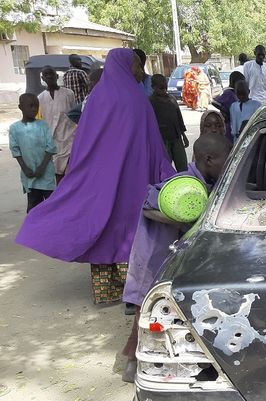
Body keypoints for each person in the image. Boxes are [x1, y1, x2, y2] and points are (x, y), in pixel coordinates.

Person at [16, 48, 176, 307]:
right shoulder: (137, 99)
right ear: (124, 66)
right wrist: (164, 173)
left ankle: (108, 291)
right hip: (133, 181)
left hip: (102, 180)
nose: (140, 71)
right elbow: (153, 144)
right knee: (130, 229)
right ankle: (133, 291)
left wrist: (80, 171)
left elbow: (84, 142)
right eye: (136, 66)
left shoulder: (98, 97)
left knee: (102, 224)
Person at [121, 133, 231, 382]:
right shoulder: (182, 184)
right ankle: (133, 365)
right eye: (226, 160)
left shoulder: (205, 186)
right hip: (154, 260)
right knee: (146, 313)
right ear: (209, 159)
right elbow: (149, 206)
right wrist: (181, 220)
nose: (228, 165)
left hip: (171, 260)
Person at [10, 93, 56, 212]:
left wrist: (42, 167)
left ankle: (52, 228)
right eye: (30, 106)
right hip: (29, 175)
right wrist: (25, 168)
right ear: (20, 107)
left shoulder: (43, 125)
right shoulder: (15, 128)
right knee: (33, 206)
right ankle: (35, 229)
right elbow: (15, 150)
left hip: (46, 173)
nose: (34, 109)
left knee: (52, 205)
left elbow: (50, 147)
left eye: (36, 106)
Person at [36, 66, 76, 182]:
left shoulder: (68, 93)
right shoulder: (40, 98)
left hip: (69, 136)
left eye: (51, 74)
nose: (49, 76)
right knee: (56, 171)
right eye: (46, 74)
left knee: (70, 168)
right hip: (51, 139)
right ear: (42, 78)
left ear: (57, 76)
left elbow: (73, 113)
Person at [149, 74, 189, 171]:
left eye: (165, 87)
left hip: (176, 137)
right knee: (166, 167)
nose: (164, 90)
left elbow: (179, 117)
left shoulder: (172, 99)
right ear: (153, 87)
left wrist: (183, 135)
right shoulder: (150, 102)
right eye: (161, 88)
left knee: (182, 165)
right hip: (162, 140)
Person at [213, 71, 244, 141]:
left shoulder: (236, 93)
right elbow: (215, 102)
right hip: (229, 125)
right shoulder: (229, 93)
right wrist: (225, 112)